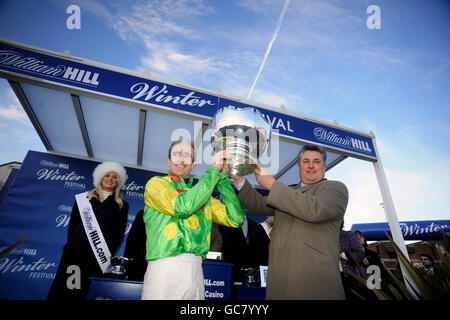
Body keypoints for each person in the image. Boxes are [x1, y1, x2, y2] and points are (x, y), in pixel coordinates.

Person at [231, 144, 348, 299]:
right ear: (299, 167)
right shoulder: (289, 191)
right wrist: (239, 180)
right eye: (306, 161)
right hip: (280, 278)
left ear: (324, 166)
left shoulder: (335, 189)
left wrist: (273, 185)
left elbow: (315, 210)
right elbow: (259, 205)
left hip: (314, 281)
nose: (311, 165)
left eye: (316, 161)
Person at [141, 138, 244, 300]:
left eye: (187, 155)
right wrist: (212, 172)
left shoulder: (202, 194)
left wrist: (223, 179)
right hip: (164, 267)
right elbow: (183, 208)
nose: (181, 159)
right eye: (176, 155)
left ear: (194, 163)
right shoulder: (156, 184)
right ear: (168, 160)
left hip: (196, 268)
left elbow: (235, 219)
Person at [47, 161, 129, 300]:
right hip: (75, 252)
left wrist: (106, 253)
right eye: (107, 175)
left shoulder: (122, 205)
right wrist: (73, 246)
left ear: (118, 181)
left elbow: (119, 234)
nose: (110, 179)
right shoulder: (84, 198)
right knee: (67, 288)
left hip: (99, 255)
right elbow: (73, 226)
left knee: (86, 290)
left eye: (114, 177)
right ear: (100, 178)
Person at [219, 206, 259, 284]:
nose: (243, 205)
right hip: (231, 271)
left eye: (245, 204)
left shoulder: (255, 226)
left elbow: (256, 250)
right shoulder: (227, 223)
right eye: (240, 202)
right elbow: (224, 247)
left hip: (249, 275)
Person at [339, 223, 366, 300]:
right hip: (329, 278)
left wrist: (342, 255)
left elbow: (360, 253)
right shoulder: (324, 237)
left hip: (347, 276)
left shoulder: (348, 235)